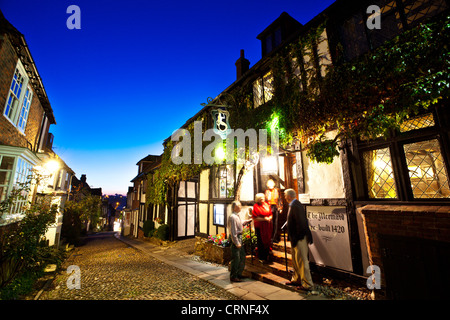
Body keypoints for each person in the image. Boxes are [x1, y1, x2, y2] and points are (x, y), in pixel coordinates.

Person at [284, 188, 314, 291]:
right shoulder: (293, 205)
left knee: (302, 261)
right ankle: (296, 279)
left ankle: (307, 284)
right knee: (296, 261)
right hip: (295, 238)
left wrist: (298, 237)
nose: (284, 197)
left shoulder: (295, 205)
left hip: (299, 237)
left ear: (289, 196)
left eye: (285, 195)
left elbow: (301, 223)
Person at [228, 201, 251, 282]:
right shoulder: (233, 217)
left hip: (239, 237)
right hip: (236, 238)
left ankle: (238, 274)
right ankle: (233, 276)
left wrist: (246, 221)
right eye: (239, 206)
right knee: (236, 258)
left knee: (241, 257)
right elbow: (233, 231)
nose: (241, 207)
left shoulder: (236, 216)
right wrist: (236, 242)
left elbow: (239, 224)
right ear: (235, 207)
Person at [252, 193, 272, 263]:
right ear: (258, 199)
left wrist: (269, 217)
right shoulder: (256, 206)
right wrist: (264, 219)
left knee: (267, 239)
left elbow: (270, 214)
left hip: (267, 226)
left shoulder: (266, 204)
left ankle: (267, 255)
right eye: (260, 198)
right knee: (261, 241)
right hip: (260, 226)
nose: (262, 199)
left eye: (263, 198)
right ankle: (262, 257)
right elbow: (255, 218)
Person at [264, 179, 281, 243]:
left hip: (275, 207)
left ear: (273, 184)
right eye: (269, 184)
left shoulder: (277, 191)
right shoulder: (266, 191)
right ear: (268, 185)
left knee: (275, 223)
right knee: (270, 222)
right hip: (268, 207)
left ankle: (275, 237)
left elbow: (279, 199)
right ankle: (270, 237)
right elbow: (265, 200)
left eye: (272, 184)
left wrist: (280, 207)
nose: (270, 186)